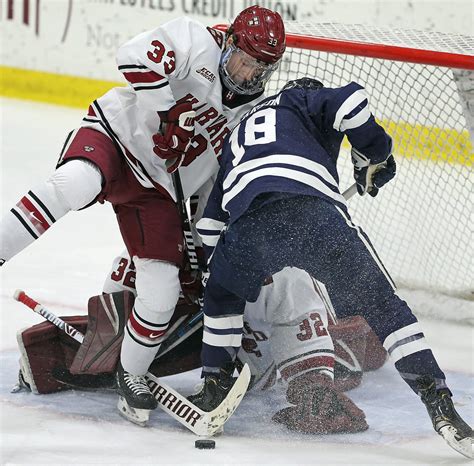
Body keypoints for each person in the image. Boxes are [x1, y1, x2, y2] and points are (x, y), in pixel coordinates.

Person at [0, 5, 286, 413]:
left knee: (162, 290)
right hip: (116, 137)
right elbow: (131, 55)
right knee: (75, 184)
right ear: (230, 44)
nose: (247, 75)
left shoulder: (250, 115)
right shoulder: (194, 40)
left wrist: (207, 247)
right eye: (244, 61)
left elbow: (214, 187)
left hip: (160, 191)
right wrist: (168, 110)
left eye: (260, 69)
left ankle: (130, 372)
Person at [190, 78, 473, 458]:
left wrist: (214, 274)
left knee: (221, 297)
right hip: (313, 216)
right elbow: (353, 101)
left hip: (250, 227)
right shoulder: (301, 99)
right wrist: (377, 152)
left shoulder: (239, 132)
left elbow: (209, 226)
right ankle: (437, 399)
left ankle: (213, 384)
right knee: (383, 306)